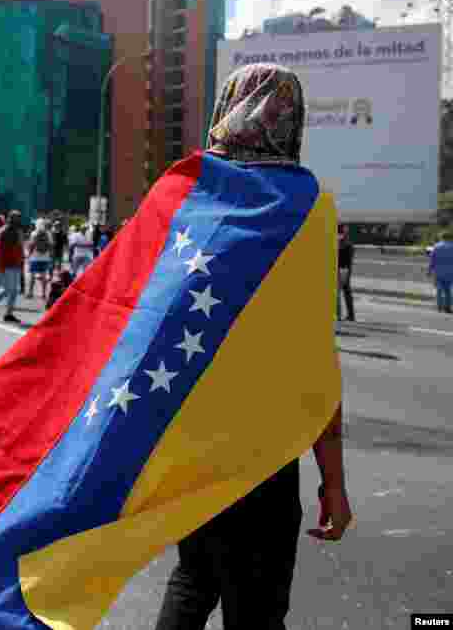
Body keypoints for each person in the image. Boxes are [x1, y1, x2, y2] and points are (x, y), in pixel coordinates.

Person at [154, 62, 352, 630]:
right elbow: (314, 357)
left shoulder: (186, 192)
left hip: (185, 445)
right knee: (257, 612)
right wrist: (333, 482)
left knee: (192, 580)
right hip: (263, 455)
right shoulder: (306, 207)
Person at [0, 210, 24, 324]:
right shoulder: (5, 232)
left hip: (15, 264)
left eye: (18, 218)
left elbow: (20, 248)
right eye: (15, 218)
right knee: (8, 289)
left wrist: (21, 261)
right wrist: (0, 265)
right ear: (10, 219)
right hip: (7, 264)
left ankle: (9, 314)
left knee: (14, 290)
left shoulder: (18, 231)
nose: (17, 220)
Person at [26, 221, 53, 300]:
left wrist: (29, 255)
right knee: (44, 276)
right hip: (45, 258)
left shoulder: (34, 233)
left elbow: (31, 245)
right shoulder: (48, 234)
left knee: (32, 276)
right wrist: (50, 256)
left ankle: (30, 292)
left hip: (35, 257)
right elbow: (51, 245)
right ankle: (43, 293)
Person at [427, 229, 453, 313]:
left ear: (441, 237)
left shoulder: (436, 246)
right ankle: (447, 307)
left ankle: (439, 306)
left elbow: (432, 260)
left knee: (439, 290)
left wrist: (429, 270)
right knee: (448, 290)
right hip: (450, 272)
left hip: (438, 272)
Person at [337, 224, 355, 322]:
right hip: (346, 270)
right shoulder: (348, 242)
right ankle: (350, 315)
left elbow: (344, 257)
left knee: (339, 292)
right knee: (346, 292)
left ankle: (339, 315)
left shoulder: (344, 243)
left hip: (342, 269)